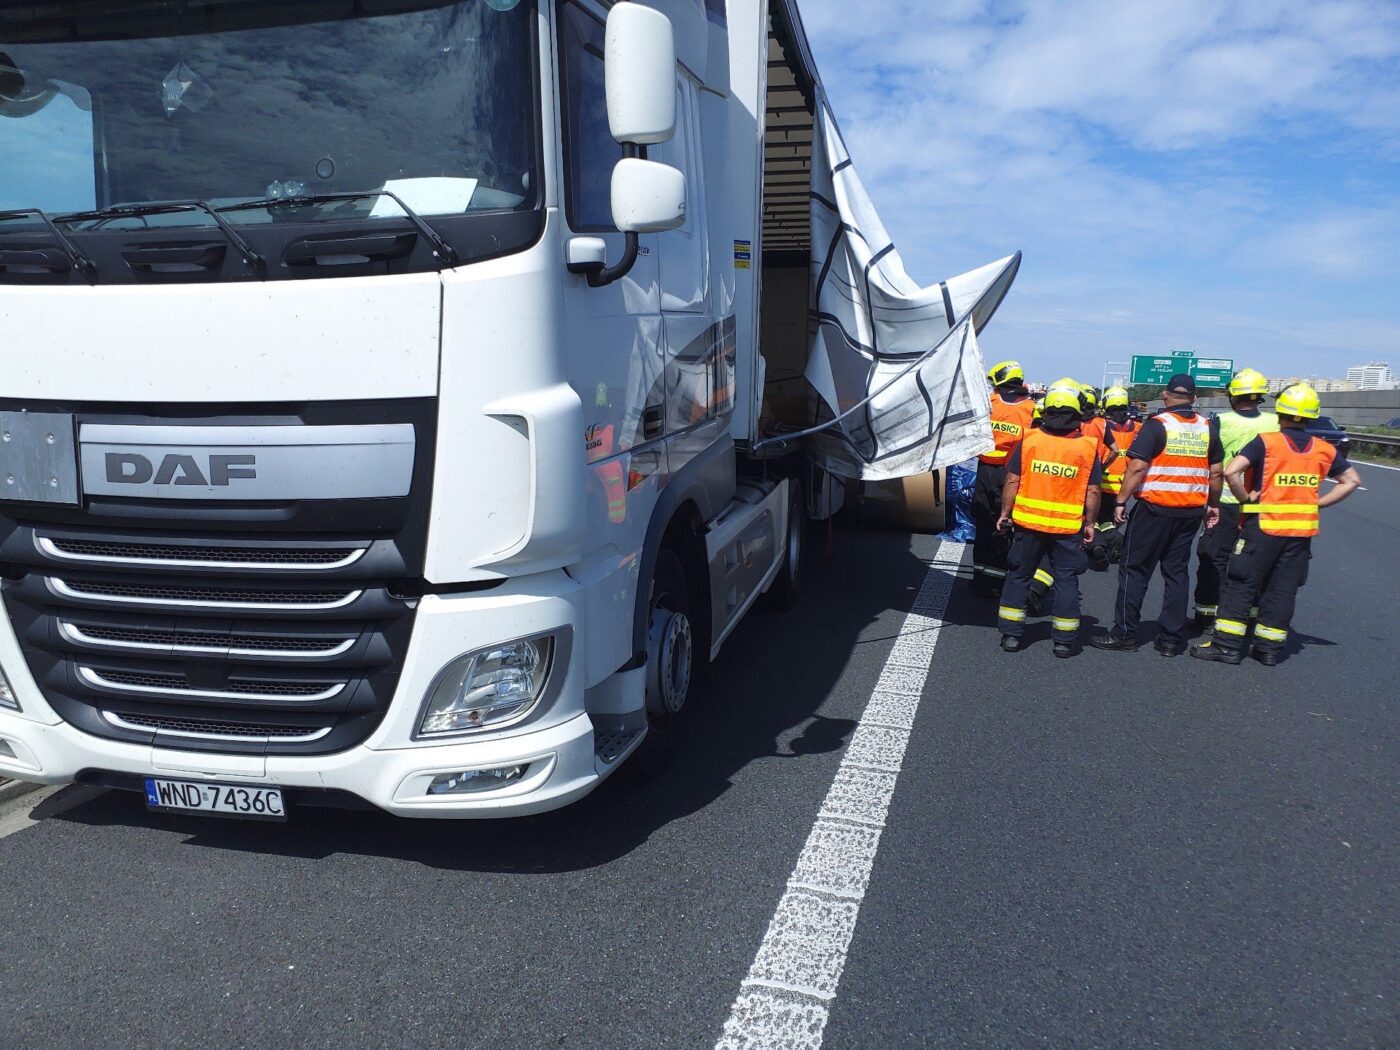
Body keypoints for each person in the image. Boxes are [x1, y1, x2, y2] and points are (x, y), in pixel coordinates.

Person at [1191, 384, 1360, 666]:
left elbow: (1233, 471)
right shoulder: (1324, 449)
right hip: (1301, 532)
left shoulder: (1267, 442)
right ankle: (1268, 648)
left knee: (1241, 582)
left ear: (1280, 412)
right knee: (1282, 588)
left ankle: (1227, 646)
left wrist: (1246, 498)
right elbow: (1352, 480)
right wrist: (1319, 503)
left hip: (1264, 526)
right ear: (1311, 416)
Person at [1090, 374, 1224, 656]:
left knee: (1135, 569)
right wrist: (1213, 504)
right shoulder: (1207, 427)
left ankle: (1125, 633)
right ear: (1194, 398)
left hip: (1154, 509)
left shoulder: (1157, 425)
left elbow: (1137, 467)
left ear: (1165, 396)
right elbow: (1216, 472)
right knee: (1176, 573)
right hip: (1189, 511)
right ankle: (1170, 640)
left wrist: (1120, 501)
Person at [995, 388, 1103, 658]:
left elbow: (1012, 480)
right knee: (1066, 580)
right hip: (1067, 527)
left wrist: (1005, 513)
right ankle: (1064, 641)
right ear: (1077, 415)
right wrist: (1090, 523)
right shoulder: (1087, 447)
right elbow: (1093, 491)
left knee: (1019, 575)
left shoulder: (1030, 440)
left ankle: (1011, 635)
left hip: (1027, 523)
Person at [1191, 368, 1277, 628]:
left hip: (1226, 502)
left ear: (1232, 396)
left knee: (1213, 557)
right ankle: (1248, 615)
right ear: (1259, 396)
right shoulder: (1274, 423)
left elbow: (1212, 464)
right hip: (1260, 504)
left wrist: (1208, 502)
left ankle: (1206, 615)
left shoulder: (1220, 421)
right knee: (1254, 562)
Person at [971, 360, 1037, 597]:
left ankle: (979, 579)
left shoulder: (989, 403)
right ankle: (999, 581)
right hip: (1013, 474)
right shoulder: (1031, 408)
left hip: (985, 471)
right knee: (1006, 524)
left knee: (983, 523)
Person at [1094, 385, 1138, 568]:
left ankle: (1102, 544)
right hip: (1124, 485)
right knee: (1108, 519)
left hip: (1101, 482)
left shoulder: (1100, 426)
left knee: (1094, 519)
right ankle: (1111, 542)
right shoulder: (1138, 428)